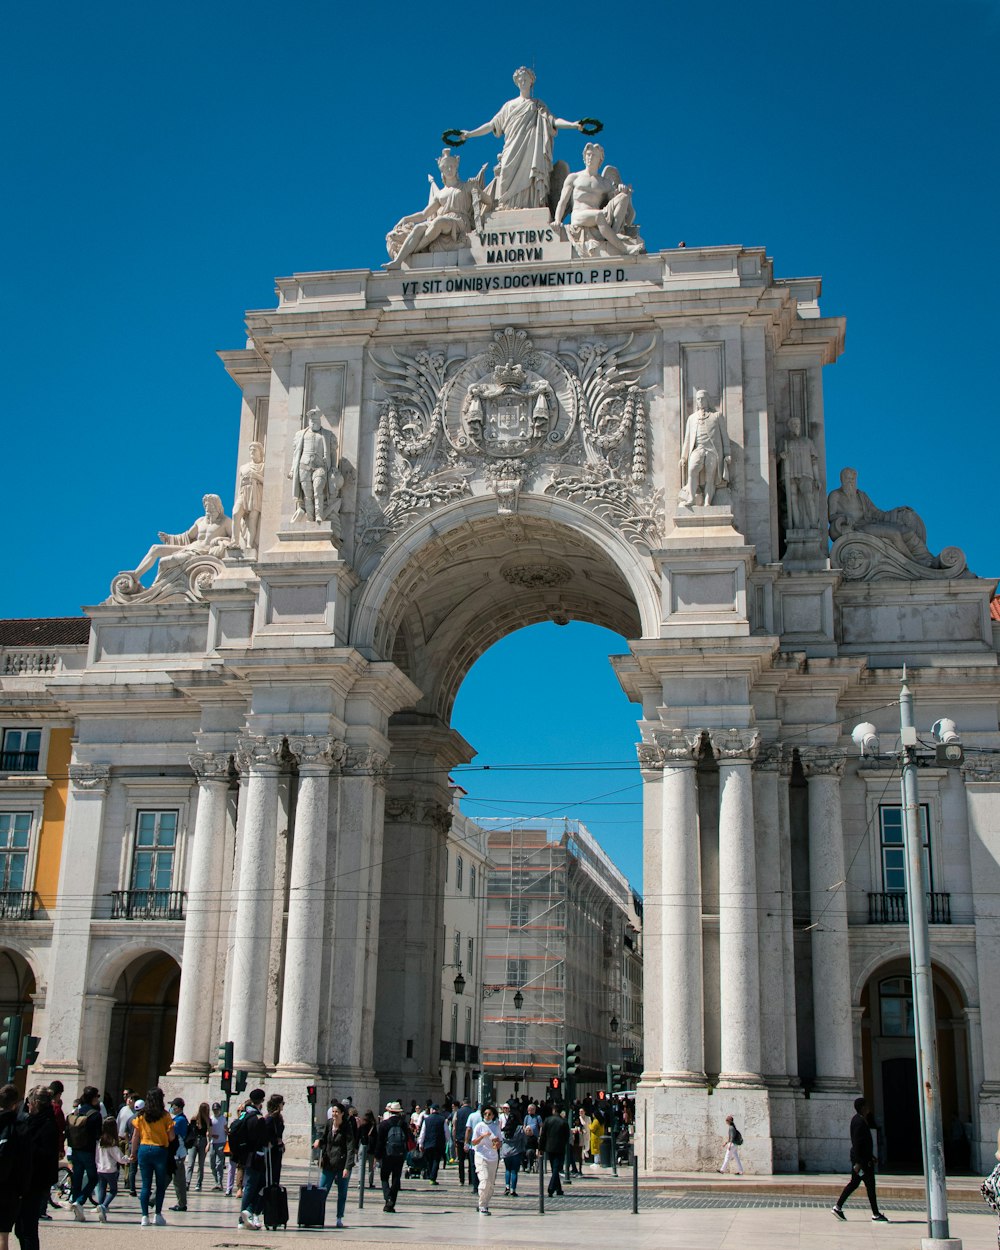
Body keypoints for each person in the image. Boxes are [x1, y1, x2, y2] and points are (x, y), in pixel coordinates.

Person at [456, 67, 586, 210]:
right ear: (517, 83)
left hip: (532, 147)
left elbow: (553, 121)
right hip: (512, 146)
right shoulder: (509, 106)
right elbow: (491, 125)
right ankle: (506, 206)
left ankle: (531, 205)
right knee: (506, 171)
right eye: (520, 79)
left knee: (531, 173)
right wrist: (470, 133)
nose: (523, 81)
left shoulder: (538, 105)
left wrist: (573, 125)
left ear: (531, 82)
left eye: (526, 79)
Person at [385, 149, 489, 270]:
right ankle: (398, 261)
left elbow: (488, 201)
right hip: (445, 221)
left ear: (456, 168)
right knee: (419, 227)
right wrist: (406, 218)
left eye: (451, 166)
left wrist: (477, 189)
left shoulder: (466, 186)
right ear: (442, 171)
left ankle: (415, 250)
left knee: (438, 222)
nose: (449, 169)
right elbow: (424, 214)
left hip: (460, 222)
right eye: (446, 167)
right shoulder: (440, 194)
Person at [828, 466, 937, 565]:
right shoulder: (835, 495)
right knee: (894, 534)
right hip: (858, 527)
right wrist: (844, 517)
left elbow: (876, 513)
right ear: (842, 480)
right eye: (848, 479)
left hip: (870, 523)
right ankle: (912, 563)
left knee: (907, 531)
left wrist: (897, 511)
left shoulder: (861, 495)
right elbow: (831, 516)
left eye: (853, 479)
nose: (850, 482)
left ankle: (927, 559)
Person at [553, 142, 642, 257]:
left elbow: (619, 207)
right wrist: (557, 220)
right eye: (588, 155)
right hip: (579, 216)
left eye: (593, 155)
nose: (590, 158)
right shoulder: (574, 177)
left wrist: (622, 191)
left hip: (599, 216)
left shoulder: (605, 183)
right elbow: (563, 202)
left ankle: (613, 234)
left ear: (600, 159)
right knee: (598, 215)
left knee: (623, 197)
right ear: (584, 157)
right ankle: (623, 247)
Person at [128, 495, 232, 586]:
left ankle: (156, 587)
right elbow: (187, 536)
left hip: (199, 553)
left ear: (218, 508)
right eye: (207, 510)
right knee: (155, 548)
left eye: (212, 509)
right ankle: (136, 575)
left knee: (163, 562)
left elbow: (236, 541)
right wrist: (169, 538)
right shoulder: (200, 521)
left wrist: (221, 539)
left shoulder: (226, 522)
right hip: (189, 548)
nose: (209, 513)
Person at [14, 1085, 60, 1250]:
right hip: (27, 1180)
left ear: (36, 1103)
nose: (28, 1105)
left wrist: (26, 1146)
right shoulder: (32, 1120)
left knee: (28, 1229)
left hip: (35, 1182)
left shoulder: (47, 1124)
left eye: (30, 1102)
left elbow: (45, 1154)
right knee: (21, 1228)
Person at [831, 1097, 888, 1223]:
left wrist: (871, 1156)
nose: (868, 1107)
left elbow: (863, 1143)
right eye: (866, 1105)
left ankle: (838, 1207)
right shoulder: (858, 1121)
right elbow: (856, 1143)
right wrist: (858, 1163)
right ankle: (875, 1214)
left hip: (864, 1160)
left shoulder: (861, 1120)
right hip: (862, 1163)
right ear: (862, 1107)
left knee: (855, 1184)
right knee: (869, 1185)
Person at [129, 1088, 176, 1227]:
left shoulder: (141, 1116)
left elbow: (135, 1136)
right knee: (160, 1185)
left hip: (144, 1149)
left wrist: (133, 1153)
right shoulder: (165, 1115)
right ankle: (157, 1214)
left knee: (145, 1185)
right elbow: (172, 1136)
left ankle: (144, 1216)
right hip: (159, 1150)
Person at [679, 389, 731, 507]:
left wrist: (727, 453)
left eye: (702, 398)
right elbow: (687, 439)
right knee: (692, 470)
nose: (700, 401)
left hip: (712, 451)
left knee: (710, 477)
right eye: (698, 399)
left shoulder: (716, 416)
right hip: (698, 450)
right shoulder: (692, 418)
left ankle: (707, 502)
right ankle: (691, 498)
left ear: (707, 400)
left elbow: (724, 436)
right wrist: (683, 456)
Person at [316, 1102, 356, 1229]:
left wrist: (347, 1167)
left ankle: (339, 1218)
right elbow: (324, 1139)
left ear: (342, 1114)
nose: (334, 1114)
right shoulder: (329, 1124)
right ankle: (317, 1215)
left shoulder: (347, 1127)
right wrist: (318, 1141)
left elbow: (350, 1148)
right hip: (328, 1163)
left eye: (337, 1112)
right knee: (322, 1190)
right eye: (333, 1112)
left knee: (342, 1193)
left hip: (341, 1164)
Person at [64, 1086, 102, 1219]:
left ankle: (76, 1206)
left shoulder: (75, 1113)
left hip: (75, 1149)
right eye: (97, 1096)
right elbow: (98, 1135)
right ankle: (79, 1201)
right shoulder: (95, 1115)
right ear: (93, 1098)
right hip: (87, 1150)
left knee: (77, 1178)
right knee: (93, 1178)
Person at [0, 1083, 29, 1250]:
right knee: (3, 1234)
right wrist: (21, 1190)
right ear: (15, 1104)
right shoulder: (20, 1128)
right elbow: (25, 1163)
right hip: (10, 1188)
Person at [778, 415, 821, 529]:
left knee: (808, 497)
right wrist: (782, 455)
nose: (796, 426)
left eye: (797, 424)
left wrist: (817, 478)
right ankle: (796, 525)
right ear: (789, 427)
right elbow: (776, 458)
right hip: (789, 474)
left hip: (806, 473)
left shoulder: (807, 441)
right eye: (793, 424)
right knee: (792, 500)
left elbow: (814, 460)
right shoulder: (784, 441)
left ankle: (813, 523)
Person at [289, 410, 331, 523]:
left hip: (320, 467)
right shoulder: (300, 434)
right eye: (312, 421)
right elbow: (296, 454)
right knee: (308, 495)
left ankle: (319, 515)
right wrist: (293, 470)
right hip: (304, 466)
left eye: (316, 421)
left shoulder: (326, 434)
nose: (313, 423)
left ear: (319, 421)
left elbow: (332, 453)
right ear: (309, 421)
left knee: (318, 490)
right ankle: (310, 518)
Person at [236, 1089, 268, 1231]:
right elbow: (260, 1138)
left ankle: (248, 1212)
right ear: (261, 1101)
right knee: (252, 1185)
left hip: (245, 1154)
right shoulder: (256, 1117)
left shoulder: (244, 1114)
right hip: (256, 1155)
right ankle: (244, 1216)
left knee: (254, 1184)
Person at [374, 1101, 410, 1212]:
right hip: (399, 1155)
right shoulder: (403, 1124)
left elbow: (379, 1142)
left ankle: (387, 1198)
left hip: (386, 1154)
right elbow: (408, 1138)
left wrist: (377, 1156)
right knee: (396, 1177)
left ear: (390, 1112)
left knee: (384, 1177)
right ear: (399, 1112)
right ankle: (392, 1202)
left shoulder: (384, 1124)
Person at [232, 442, 265, 551]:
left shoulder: (263, 466)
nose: (252, 451)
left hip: (256, 493)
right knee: (236, 513)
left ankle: (249, 546)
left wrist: (255, 476)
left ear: (260, 452)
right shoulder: (243, 467)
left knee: (252, 520)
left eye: (254, 449)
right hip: (243, 494)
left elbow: (267, 482)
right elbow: (239, 485)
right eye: (250, 449)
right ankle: (235, 541)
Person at [470, 1105, 501, 1215]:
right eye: (485, 1114)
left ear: (493, 1115)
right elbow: (473, 1142)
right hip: (481, 1156)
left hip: (493, 1157)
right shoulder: (479, 1126)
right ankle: (481, 1204)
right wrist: (482, 1136)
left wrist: (496, 1143)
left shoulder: (496, 1127)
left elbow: (498, 1143)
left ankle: (485, 1203)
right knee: (484, 1179)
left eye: (489, 1114)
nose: (487, 1116)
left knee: (491, 1184)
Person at [95, 1116, 126, 1221]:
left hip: (100, 1168)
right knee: (113, 1190)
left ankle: (101, 1205)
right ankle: (104, 1206)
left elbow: (96, 1156)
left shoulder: (100, 1141)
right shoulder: (112, 1143)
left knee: (102, 1188)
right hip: (110, 1170)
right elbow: (120, 1158)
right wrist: (128, 1159)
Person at [540, 1106, 570, 1195]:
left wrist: (541, 1148)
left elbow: (543, 1135)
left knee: (554, 1168)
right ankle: (551, 1187)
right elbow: (567, 1136)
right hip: (560, 1148)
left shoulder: (547, 1120)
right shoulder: (563, 1122)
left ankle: (558, 1189)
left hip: (549, 1147)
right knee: (556, 1168)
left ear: (553, 1111)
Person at [168, 1098, 189, 1211]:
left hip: (178, 1154)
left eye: (173, 1106)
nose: (171, 1108)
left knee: (178, 1180)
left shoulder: (180, 1120)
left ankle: (182, 1204)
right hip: (175, 1154)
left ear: (179, 1108)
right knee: (170, 1178)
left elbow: (170, 1132)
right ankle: (152, 1200)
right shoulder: (176, 1119)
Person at [417, 1103, 446, 1184]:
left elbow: (423, 1132)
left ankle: (430, 1176)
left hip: (428, 1144)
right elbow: (446, 1132)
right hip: (438, 1144)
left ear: (431, 1110)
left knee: (429, 1160)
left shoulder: (427, 1120)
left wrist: (420, 1144)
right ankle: (433, 1178)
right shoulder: (442, 1119)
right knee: (436, 1160)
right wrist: (446, 1142)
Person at [186, 1101, 212, 1192]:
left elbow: (209, 1133)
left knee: (201, 1164)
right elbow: (190, 1131)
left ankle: (198, 1183)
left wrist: (209, 1144)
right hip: (194, 1141)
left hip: (203, 1141)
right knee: (190, 1164)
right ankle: (187, 1182)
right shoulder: (194, 1119)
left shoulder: (208, 1121)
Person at [500, 1111, 525, 1196]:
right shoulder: (520, 1128)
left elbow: (501, 1139)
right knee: (514, 1171)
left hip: (506, 1152)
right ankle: (512, 1189)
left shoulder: (505, 1129)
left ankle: (507, 1186)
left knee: (507, 1170)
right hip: (516, 1151)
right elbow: (523, 1139)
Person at [452, 1098, 474, 1186]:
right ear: (469, 1103)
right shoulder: (473, 1112)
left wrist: (454, 1138)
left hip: (460, 1139)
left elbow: (454, 1126)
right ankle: (471, 1180)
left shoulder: (458, 1112)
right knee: (471, 1161)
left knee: (461, 1161)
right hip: (470, 1140)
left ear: (463, 1103)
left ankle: (461, 1180)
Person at [208, 1103, 227, 1191]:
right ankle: (216, 1181)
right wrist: (211, 1136)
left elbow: (226, 1128)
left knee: (219, 1164)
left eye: (217, 1109)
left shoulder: (223, 1118)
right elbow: (208, 1131)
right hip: (212, 1143)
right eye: (214, 1110)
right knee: (212, 1164)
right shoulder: (211, 1119)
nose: (215, 1111)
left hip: (221, 1142)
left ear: (219, 1110)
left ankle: (219, 1183)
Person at [358, 1110, 377, 1189]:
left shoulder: (362, 1125)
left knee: (361, 1165)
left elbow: (357, 1136)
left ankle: (360, 1182)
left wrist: (355, 1147)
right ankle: (370, 1182)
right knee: (371, 1167)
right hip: (371, 1147)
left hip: (363, 1146)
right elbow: (376, 1137)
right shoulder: (373, 1125)